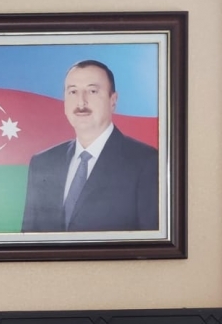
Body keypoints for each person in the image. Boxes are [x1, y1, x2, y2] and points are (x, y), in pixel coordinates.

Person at [20, 61, 159, 233]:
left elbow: (152, 242)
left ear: (113, 100)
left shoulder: (146, 162)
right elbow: (29, 239)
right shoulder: (42, 163)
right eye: (73, 92)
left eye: (92, 91)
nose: (81, 102)